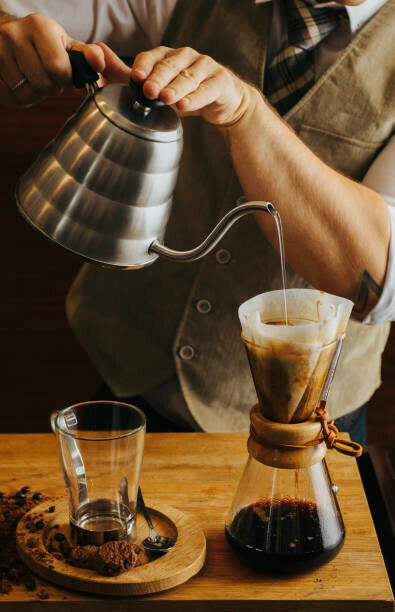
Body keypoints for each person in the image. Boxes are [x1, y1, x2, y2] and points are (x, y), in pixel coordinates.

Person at [0, 0, 393, 443]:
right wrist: (13, 39)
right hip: (128, 380)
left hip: (300, 426)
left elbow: (377, 278)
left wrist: (246, 112)